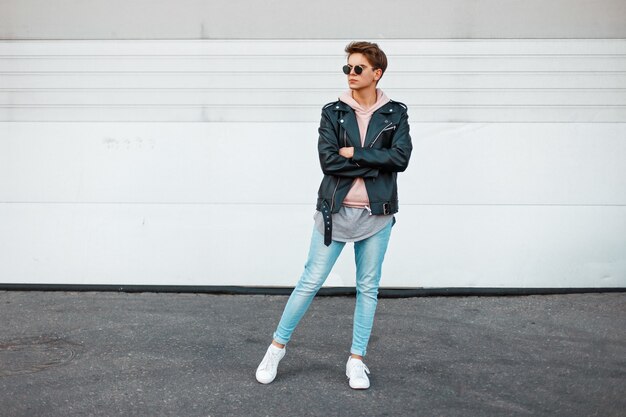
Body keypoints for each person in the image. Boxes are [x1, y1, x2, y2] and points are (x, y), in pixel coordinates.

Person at [255, 41, 412, 390]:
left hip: (377, 214)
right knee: (310, 282)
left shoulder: (395, 113)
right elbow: (329, 161)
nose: (351, 74)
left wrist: (355, 153)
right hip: (335, 211)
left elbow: (400, 159)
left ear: (377, 73)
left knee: (367, 288)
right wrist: (375, 163)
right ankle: (276, 348)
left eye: (358, 68)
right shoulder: (333, 112)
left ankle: (356, 360)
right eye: (348, 68)